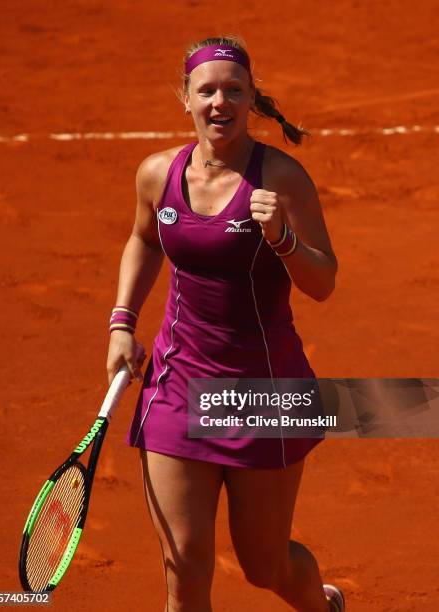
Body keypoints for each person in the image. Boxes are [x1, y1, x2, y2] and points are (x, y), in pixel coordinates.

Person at [107, 36, 343, 612]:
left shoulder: (282, 178)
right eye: (206, 90)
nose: (220, 102)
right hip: (176, 382)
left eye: (234, 91)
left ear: (251, 99)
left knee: (264, 565)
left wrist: (283, 238)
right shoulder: (157, 174)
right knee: (183, 568)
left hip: (263, 391)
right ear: (184, 98)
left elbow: (323, 281)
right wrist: (121, 322)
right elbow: (143, 239)